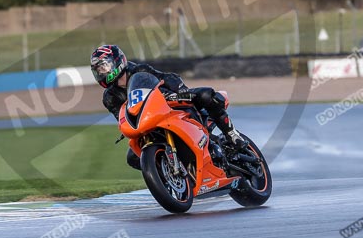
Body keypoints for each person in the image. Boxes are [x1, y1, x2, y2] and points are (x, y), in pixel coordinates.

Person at [90, 44, 246, 170]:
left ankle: (231, 134)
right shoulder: (109, 97)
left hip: (170, 104)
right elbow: (121, 117)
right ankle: (168, 174)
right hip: (147, 121)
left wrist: (181, 90)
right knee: (132, 157)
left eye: (103, 67)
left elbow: (167, 78)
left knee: (207, 95)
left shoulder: (139, 70)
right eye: (98, 70)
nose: (101, 73)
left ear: (116, 61)